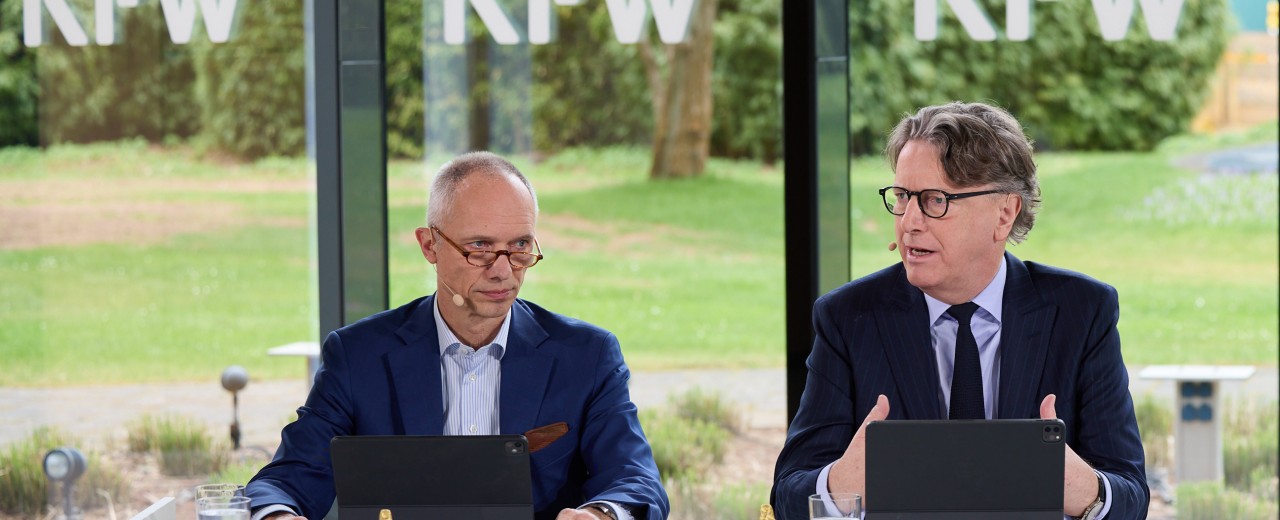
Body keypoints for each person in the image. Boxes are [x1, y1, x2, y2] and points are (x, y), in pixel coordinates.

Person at [770, 102, 1148, 519]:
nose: (909, 221)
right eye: (902, 197)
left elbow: (1130, 495)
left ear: (1005, 213)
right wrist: (840, 483)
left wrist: (1084, 490)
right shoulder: (849, 318)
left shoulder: (1082, 313)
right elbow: (788, 493)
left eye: (935, 200)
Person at [245, 151, 669, 520]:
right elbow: (286, 480)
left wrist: (599, 514)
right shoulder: (359, 356)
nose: (502, 270)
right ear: (429, 245)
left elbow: (635, 480)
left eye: (520, 246)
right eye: (479, 247)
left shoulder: (587, 356)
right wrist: (279, 515)